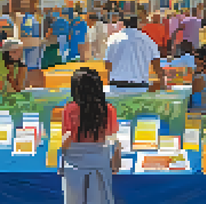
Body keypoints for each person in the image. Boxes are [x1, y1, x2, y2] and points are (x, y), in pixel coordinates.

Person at [62, 67, 120, 204]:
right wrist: (115, 163)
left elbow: (67, 138)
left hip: (75, 163)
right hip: (100, 160)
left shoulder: (69, 109)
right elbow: (113, 140)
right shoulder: (108, 109)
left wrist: (62, 157)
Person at [105, 17, 165, 93]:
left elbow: (107, 65)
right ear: (138, 23)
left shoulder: (113, 39)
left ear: (123, 23)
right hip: (139, 86)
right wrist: (162, 84)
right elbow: (156, 65)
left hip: (116, 86)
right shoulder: (147, 39)